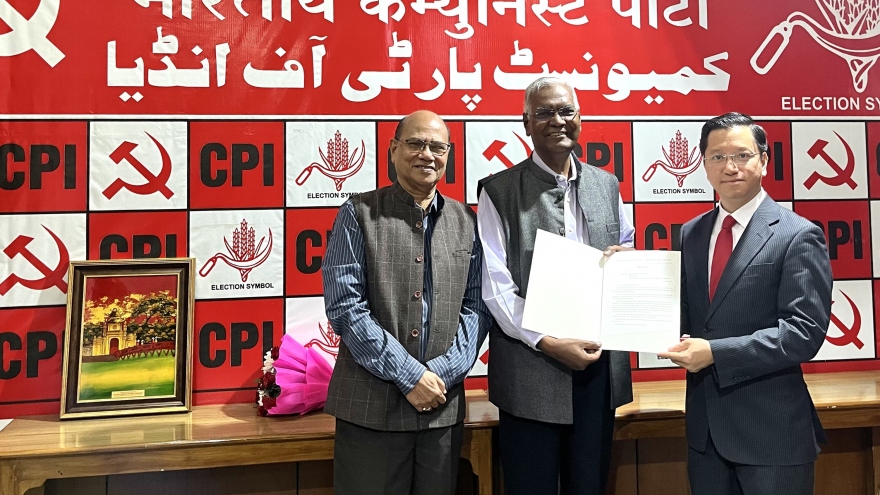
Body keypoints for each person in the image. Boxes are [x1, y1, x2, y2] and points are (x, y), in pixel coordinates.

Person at [659, 112, 832, 495]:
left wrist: (715, 353)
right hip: (705, 434)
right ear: (704, 164)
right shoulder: (691, 233)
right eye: (718, 157)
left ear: (764, 160)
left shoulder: (798, 234)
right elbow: (681, 313)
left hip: (771, 434)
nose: (730, 166)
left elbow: (803, 334)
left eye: (742, 155)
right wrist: (624, 275)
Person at [476, 76, 634, 494]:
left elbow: (626, 249)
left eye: (566, 111)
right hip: (530, 373)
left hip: (598, 370)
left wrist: (626, 264)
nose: (557, 121)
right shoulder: (498, 191)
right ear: (526, 123)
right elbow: (495, 287)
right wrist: (545, 340)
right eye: (544, 113)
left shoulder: (608, 185)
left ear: (580, 118)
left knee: (590, 485)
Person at [322, 110, 492, 495]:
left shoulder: (467, 220)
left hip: (441, 412)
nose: (427, 154)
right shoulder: (358, 213)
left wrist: (443, 372)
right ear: (393, 150)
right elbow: (345, 307)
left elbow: (477, 307)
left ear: (448, 154)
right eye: (415, 143)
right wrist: (410, 375)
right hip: (370, 412)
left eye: (438, 147)